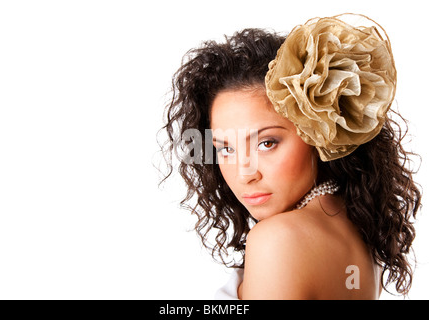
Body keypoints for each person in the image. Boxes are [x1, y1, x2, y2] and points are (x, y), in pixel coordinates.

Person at [160, 14, 421, 299]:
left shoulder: (278, 239)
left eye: (267, 143)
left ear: (317, 133)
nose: (245, 173)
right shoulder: (356, 225)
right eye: (226, 148)